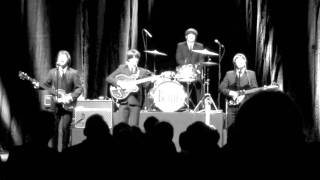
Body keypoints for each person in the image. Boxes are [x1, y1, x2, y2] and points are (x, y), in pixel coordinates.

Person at [34, 50, 83, 152]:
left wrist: (70, 97)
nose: (61, 59)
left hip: (67, 105)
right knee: (53, 129)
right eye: (59, 57)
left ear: (68, 60)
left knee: (65, 129)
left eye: (63, 58)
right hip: (55, 105)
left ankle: (65, 150)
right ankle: (53, 151)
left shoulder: (73, 73)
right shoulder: (52, 72)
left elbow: (79, 88)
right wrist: (38, 86)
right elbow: (46, 85)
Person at [106, 49, 153, 126]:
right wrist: (119, 83)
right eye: (132, 58)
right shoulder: (122, 68)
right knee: (121, 126)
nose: (135, 60)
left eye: (136, 58)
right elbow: (109, 78)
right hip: (123, 101)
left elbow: (146, 85)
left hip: (135, 103)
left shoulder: (142, 71)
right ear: (128, 59)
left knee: (134, 127)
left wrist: (152, 81)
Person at [219, 53, 258, 130]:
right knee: (230, 129)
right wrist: (231, 93)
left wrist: (243, 95)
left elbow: (255, 89)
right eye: (238, 60)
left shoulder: (251, 74)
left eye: (242, 60)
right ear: (234, 62)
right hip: (232, 107)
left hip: (246, 106)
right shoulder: (229, 74)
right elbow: (221, 88)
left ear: (245, 62)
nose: (240, 62)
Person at [175, 28, 205, 109]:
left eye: (193, 36)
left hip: (196, 71)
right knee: (182, 88)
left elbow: (201, 59)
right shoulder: (180, 45)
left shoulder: (200, 46)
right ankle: (182, 105)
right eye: (190, 35)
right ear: (186, 37)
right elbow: (178, 58)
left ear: (195, 37)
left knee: (199, 85)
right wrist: (186, 65)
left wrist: (197, 68)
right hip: (184, 71)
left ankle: (200, 106)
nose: (191, 37)